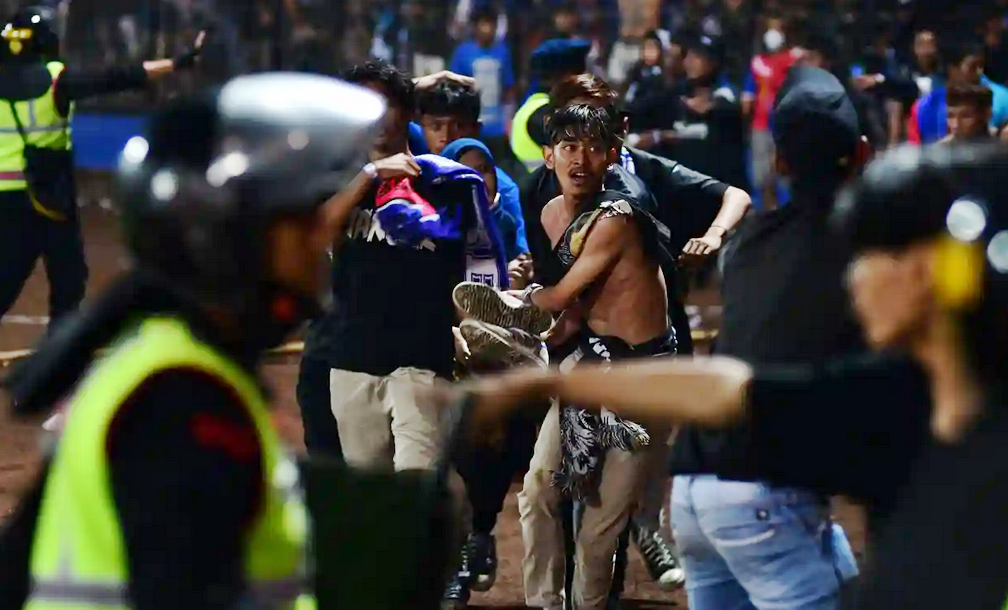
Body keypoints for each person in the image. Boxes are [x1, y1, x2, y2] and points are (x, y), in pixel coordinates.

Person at [431, 140, 1008, 610]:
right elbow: (724, 390)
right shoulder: (895, 399)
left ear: (947, 271)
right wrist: (543, 384)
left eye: (876, 254)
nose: (854, 277)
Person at [0, 72, 387, 610]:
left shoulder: (164, 363)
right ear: (231, 245)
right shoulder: (183, 398)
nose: (321, 236)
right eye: (300, 222)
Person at [302, 59, 507, 610]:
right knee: (372, 511)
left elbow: (479, 263)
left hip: (422, 358)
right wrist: (370, 176)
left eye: (386, 105)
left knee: (419, 499)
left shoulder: (444, 182)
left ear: (406, 112)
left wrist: (479, 333)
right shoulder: (334, 179)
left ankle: (447, 559)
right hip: (351, 360)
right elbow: (314, 235)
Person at [670, 65, 863, 610]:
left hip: (692, 487)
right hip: (762, 493)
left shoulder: (752, 244)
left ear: (778, 161)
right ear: (866, 152)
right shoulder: (864, 243)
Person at [512, 103, 677, 610]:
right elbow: (573, 316)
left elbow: (558, 299)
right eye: (568, 147)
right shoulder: (550, 213)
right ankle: (544, 603)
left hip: (641, 376)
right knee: (540, 487)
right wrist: (528, 290)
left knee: (600, 523)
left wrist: (518, 301)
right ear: (548, 156)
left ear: (611, 156)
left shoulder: (617, 217)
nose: (580, 158)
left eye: (593, 147)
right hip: (589, 365)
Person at [0, 5, 206, 332]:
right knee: (68, 282)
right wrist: (177, 63)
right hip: (49, 196)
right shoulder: (56, 81)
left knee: (6, 278)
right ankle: (58, 359)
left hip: (7, 201)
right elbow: (116, 78)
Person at [416, 77, 529, 258]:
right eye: (436, 126)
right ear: (421, 128)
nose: (446, 136)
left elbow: (520, 257)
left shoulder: (501, 188)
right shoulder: (413, 175)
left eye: (459, 126)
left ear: (477, 129)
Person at [628, 32, 748, 192]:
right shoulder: (680, 92)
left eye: (698, 57)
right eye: (689, 56)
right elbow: (643, 108)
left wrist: (663, 136)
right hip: (685, 186)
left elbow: (717, 121)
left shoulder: (726, 93)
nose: (691, 62)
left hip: (720, 185)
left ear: (714, 63)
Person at [742, 13, 802, 210]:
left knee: (785, 175)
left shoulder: (794, 60)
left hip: (786, 125)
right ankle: (768, 214)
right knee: (762, 176)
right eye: (770, 28)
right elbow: (749, 92)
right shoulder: (758, 62)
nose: (773, 34)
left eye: (778, 28)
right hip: (761, 125)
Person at [510, 38, 591, 172]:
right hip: (545, 191)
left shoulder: (532, 107)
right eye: (578, 76)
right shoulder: (544, 114)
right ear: (563, 78)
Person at [908, 37, 1008, 144]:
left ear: (988, 113)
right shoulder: (924, 106)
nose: (979, 72)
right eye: (972, 66)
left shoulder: (1002, 97)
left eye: (966, 115)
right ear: (952, 69)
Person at [448, 5, 517, 160]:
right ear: (476, 26)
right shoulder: (463, 52)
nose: (487, 29)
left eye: (491, 24)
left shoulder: (502, 52)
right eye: (483, 24)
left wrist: (509, 119)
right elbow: (455, 88)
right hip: (473, 125)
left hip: (497, 127)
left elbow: (509, 88)